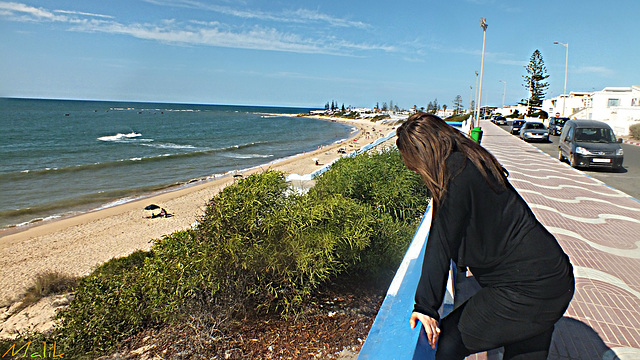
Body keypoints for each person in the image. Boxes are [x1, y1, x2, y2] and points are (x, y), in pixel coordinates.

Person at [396, 113, 574, 359]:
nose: (414, 171)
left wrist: (425, 306)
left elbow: (441, 240)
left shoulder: (455, 176)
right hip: (554, 279)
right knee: (523, 345)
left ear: (423, 154)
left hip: (525, 288)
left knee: (448, 341)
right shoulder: (473, 160)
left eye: (412, 163)